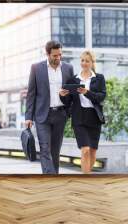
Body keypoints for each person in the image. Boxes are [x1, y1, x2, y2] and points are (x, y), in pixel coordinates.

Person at [25, 40, 74, 174]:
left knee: (55, 151)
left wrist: (67, 94)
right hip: (42, 116)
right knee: (44, 148)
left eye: (60, 55)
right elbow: (31, 94)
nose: (58, 58)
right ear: (47, 54)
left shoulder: (68, 68)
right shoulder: (36, 68)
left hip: (60, 114)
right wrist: (28, 117)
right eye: (55, 56)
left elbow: (72, 93)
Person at [60, 50, 106, 174]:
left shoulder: (99, 78)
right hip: (79, 118)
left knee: (92, 151)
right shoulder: (73, 79)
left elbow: (101, 97)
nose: (84, 63)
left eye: (87, 61)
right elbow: (67, 101)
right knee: (85, 149)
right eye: (82, 60)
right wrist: (63, 95)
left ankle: (87, 175)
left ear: (92, 62)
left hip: (94, 118)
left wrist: (87, 93)